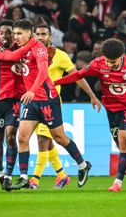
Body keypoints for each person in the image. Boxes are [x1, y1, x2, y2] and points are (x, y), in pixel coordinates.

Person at [0, 19, 92, 189]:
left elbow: (44, 72)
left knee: (59, 138)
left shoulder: (39, 49)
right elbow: (6, 51)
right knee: (22, 137)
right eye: (15, 34)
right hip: (31, 102)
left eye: (19, 33)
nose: (16, 37)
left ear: (29, 33)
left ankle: (82, 165)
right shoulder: (18, 46)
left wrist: (32, 90)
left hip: (47, 99)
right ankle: (24, 176)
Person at [54, 38, 126, 192]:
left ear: (122, 56)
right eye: (108, 61)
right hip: (111, 109)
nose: (110, 65)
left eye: (113, 62)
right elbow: (78, 75)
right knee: (122, 145)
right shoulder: (97, 64)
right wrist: (56, 82)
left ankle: (118, 183)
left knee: (125, 137)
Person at [29, 22, 101, 190]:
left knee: (43, 140)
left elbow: (77, 76)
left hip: (50, 103)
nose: (40, 37)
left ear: (50, 37)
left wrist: (92, 95)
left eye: (43, 34)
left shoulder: (60, 55)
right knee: (52, 141)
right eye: (37, 34)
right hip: (34, 103)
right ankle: (62, 175)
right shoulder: (29, 53)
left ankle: (34, 180)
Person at [0, 20, 23, 191]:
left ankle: (8, 175)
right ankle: (0, 171)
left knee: (10, 137)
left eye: (8, 32)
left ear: (14, 33)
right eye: (1, 33)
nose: (4, 36)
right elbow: (11, 57)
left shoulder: (20, 46)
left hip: (14, 100)